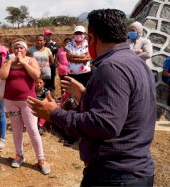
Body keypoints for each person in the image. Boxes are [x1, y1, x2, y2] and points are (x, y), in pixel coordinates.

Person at [28, 9, 156, 186]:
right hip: (134, 171)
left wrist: (55, 114)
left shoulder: (111, 68)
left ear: (91, 38)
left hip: (114, 175)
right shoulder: (136, 63)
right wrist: (85, 96)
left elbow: (105, 125)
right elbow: (125, 110)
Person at [0, 39, 50, 175]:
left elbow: (36, 75)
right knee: (16, 129)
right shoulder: (8, 61)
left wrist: (22, 62)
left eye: (21, 48)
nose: (18, 50)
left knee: (32, 129)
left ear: (26, 50)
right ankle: (19, 155)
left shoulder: (30, 60)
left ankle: (41, 159)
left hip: (27, 101)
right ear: (12, 50)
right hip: (11, 101)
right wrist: (10, 62)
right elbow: (2, 75)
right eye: (16, 48)